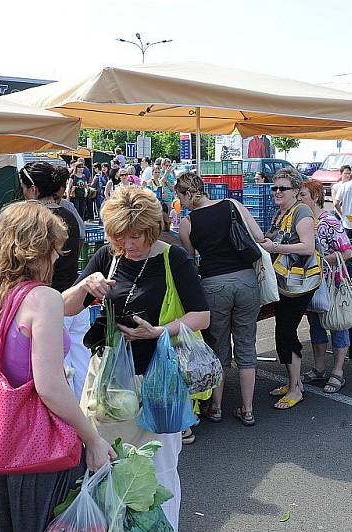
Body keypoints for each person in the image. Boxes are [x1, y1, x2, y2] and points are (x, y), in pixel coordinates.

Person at [0, 201, 114, 531]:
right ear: (37, 251)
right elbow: (50, 387)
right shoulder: (43, 298)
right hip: (40, 448)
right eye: (53, 249)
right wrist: (92, 439)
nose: (55, 258)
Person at [64, 186, 210, 530]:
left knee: (158, 471)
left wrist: (158, 332)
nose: (128, 245)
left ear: (152, 229)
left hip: (158, 383)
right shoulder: (107, 257)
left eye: (136, 237)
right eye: (120, 237)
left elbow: (201, 316)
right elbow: (64, 307)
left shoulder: (174, 259)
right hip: (109, 386)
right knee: (106, 463)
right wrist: (86, 286)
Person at [176, 172, 264, 425]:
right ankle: (247, 409)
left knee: (218, 347)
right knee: (246, 343)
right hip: (247, 282)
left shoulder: (187, 224)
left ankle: (215, 407)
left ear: (185, 194)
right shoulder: (232, 205)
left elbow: (189, 261)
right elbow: (258, 237)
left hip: (214, 284)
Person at [260, 168, 317, 409]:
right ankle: (293, 383)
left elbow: (307, 247)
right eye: (275, 188)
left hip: (299, 283)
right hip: (285, 283)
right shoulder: (281, 213)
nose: (277, 192)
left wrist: (275, 248)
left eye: (283, 188)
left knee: (286, 332)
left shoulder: (301, 211)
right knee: (283, 331)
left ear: (295, 191)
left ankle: (295, 389)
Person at [298, 179, 352, 393]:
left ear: (316, 196)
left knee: (337, 325)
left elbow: (347, 252)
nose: (299, 199)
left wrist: (319, 260)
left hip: (332, 283)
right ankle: (319, 367)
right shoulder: (305, 221)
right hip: (312, 283)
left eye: (303, 195)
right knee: (316, 325)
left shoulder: (329, 221)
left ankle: (338, 371)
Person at [20, 162, 83, 293]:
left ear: (33, 190)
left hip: (42, 298)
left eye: (23, 188)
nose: (23, 194)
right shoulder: (69, 215)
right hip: (68, 296)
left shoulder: (33, 219)